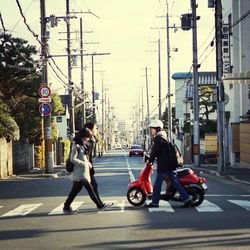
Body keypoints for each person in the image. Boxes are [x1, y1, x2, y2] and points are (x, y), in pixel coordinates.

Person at [144, 120, 193, 208]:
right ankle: (187, 199)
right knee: (175, 183)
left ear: (157, 129)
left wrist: (150, 161)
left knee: (157, 185)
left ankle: (155, 202)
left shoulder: (159, 138)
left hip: (164, 166)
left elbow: (155, 151)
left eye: (152, 128)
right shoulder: (165, 136)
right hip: (170, 164)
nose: (151, 130)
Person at [63, 128, 112, 213]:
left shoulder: (82, 145)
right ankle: (99, 205)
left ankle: (66, 206)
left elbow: (83, 157)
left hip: (83, 172)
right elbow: (72, 159)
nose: (88, 139)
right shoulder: (76, 146)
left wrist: (88, 163)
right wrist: (84, 164)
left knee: (75, 190)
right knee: (90, 189)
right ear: (83, 137)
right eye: (87, 137)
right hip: (80, 173)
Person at [84, 121, 101, 202]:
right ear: (90, 130)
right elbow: (85, 155)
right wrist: (89, 166)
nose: (96, 130)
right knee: (93, 186)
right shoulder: (86, 140)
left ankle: (67, 205)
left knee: (76, 188)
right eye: (95, 128)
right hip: (84, 168)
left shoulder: (91, 139)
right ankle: (100, 204)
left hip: (85, 167)